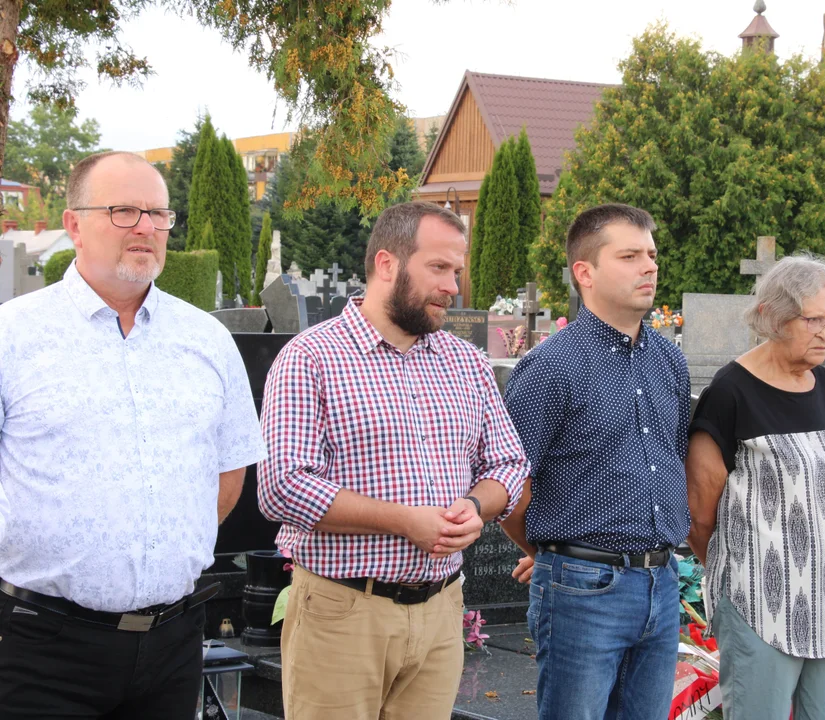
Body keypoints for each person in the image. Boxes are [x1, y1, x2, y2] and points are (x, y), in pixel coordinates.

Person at [0, 151, 266, 718]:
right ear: (74, 224)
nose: (146, 227)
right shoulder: (13, 337)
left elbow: (227, 471)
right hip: (39, 646)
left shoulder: (207, 341)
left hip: (172, 644)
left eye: (158, 213)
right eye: (123, 211)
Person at [258, 201, 529, 720]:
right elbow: (283, 487)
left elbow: (508, 464)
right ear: (387, 264)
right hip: (344, 612)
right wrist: (407, 522)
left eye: (457, 271)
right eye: (438, 268)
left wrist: (476, 506)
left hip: (441, 610)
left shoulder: (465, 362)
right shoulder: (311, 357)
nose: (453, 286)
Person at [501, 203, 690, 720]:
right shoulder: (551, 367)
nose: (649, 266)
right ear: (585, 272)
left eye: (651, 254)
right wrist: (551, 553)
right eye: (629, 256)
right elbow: (509, 484)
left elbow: (673, 458)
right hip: (584, 587)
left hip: (661, 579)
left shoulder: (667, 358)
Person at [686, 254, 825, 720]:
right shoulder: (731, 392)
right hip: (761, 604)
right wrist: (745, 574)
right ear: (773, 315)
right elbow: (700, 512)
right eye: (813, 319)